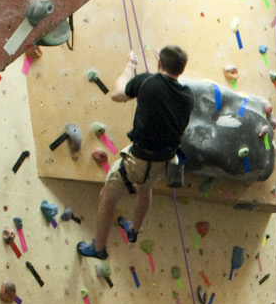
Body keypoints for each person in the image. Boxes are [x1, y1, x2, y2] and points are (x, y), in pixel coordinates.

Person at [77, 45, 193, 259]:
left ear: (160, 64)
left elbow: (117, 94)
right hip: (164, 159)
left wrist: (130, 65)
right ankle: (134, 229)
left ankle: (99, 247)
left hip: (140, 158)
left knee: (107, 197)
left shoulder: (149, 82)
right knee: (144, 186)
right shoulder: (187, 96)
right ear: (181, 69)